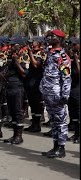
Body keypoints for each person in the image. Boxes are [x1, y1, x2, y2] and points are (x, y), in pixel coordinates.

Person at [40, 29, 71, 158]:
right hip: (47, 92)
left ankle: (61, 148)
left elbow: (67, 77)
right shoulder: (50, 52)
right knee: (52, 121)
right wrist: (46, 35)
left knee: (61, 122)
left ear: (59, 39)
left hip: (57, 94)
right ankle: (55, 146)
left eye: (53, 36)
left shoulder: (63, 57)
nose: (50, 38)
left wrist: (65, 95)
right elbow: (43, 43)